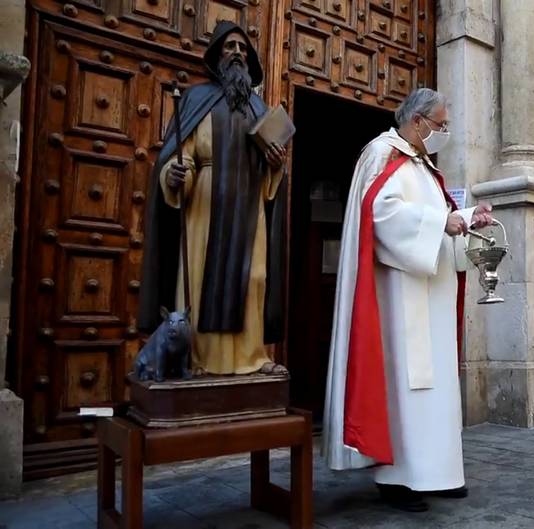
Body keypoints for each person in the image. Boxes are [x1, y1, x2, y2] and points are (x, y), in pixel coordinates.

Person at [323, 88, 493, 512]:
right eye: (440, 125)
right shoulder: (381, 154)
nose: (444, 132)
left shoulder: (423, 166)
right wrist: (440, 222)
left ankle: (437, 473)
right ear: (417, 121)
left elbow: (440, 220)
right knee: (406, 387)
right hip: (400, 298)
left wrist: (467, 218)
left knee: (437, 389)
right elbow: (380, 215)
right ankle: (398, 479)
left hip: (433, 294)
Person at [139, 21, 288, 376]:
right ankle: (198, 360)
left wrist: (275, 165)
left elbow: (272, 171)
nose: (237, 53)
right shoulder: (196, 100)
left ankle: (252, 358)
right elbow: (182, 154)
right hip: (205, 206)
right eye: (230, 46)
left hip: (250, 207)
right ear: (217, 53)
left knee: (253, 280)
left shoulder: (259, 109)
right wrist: (174, 175)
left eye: (243, 48)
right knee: (200, 278)